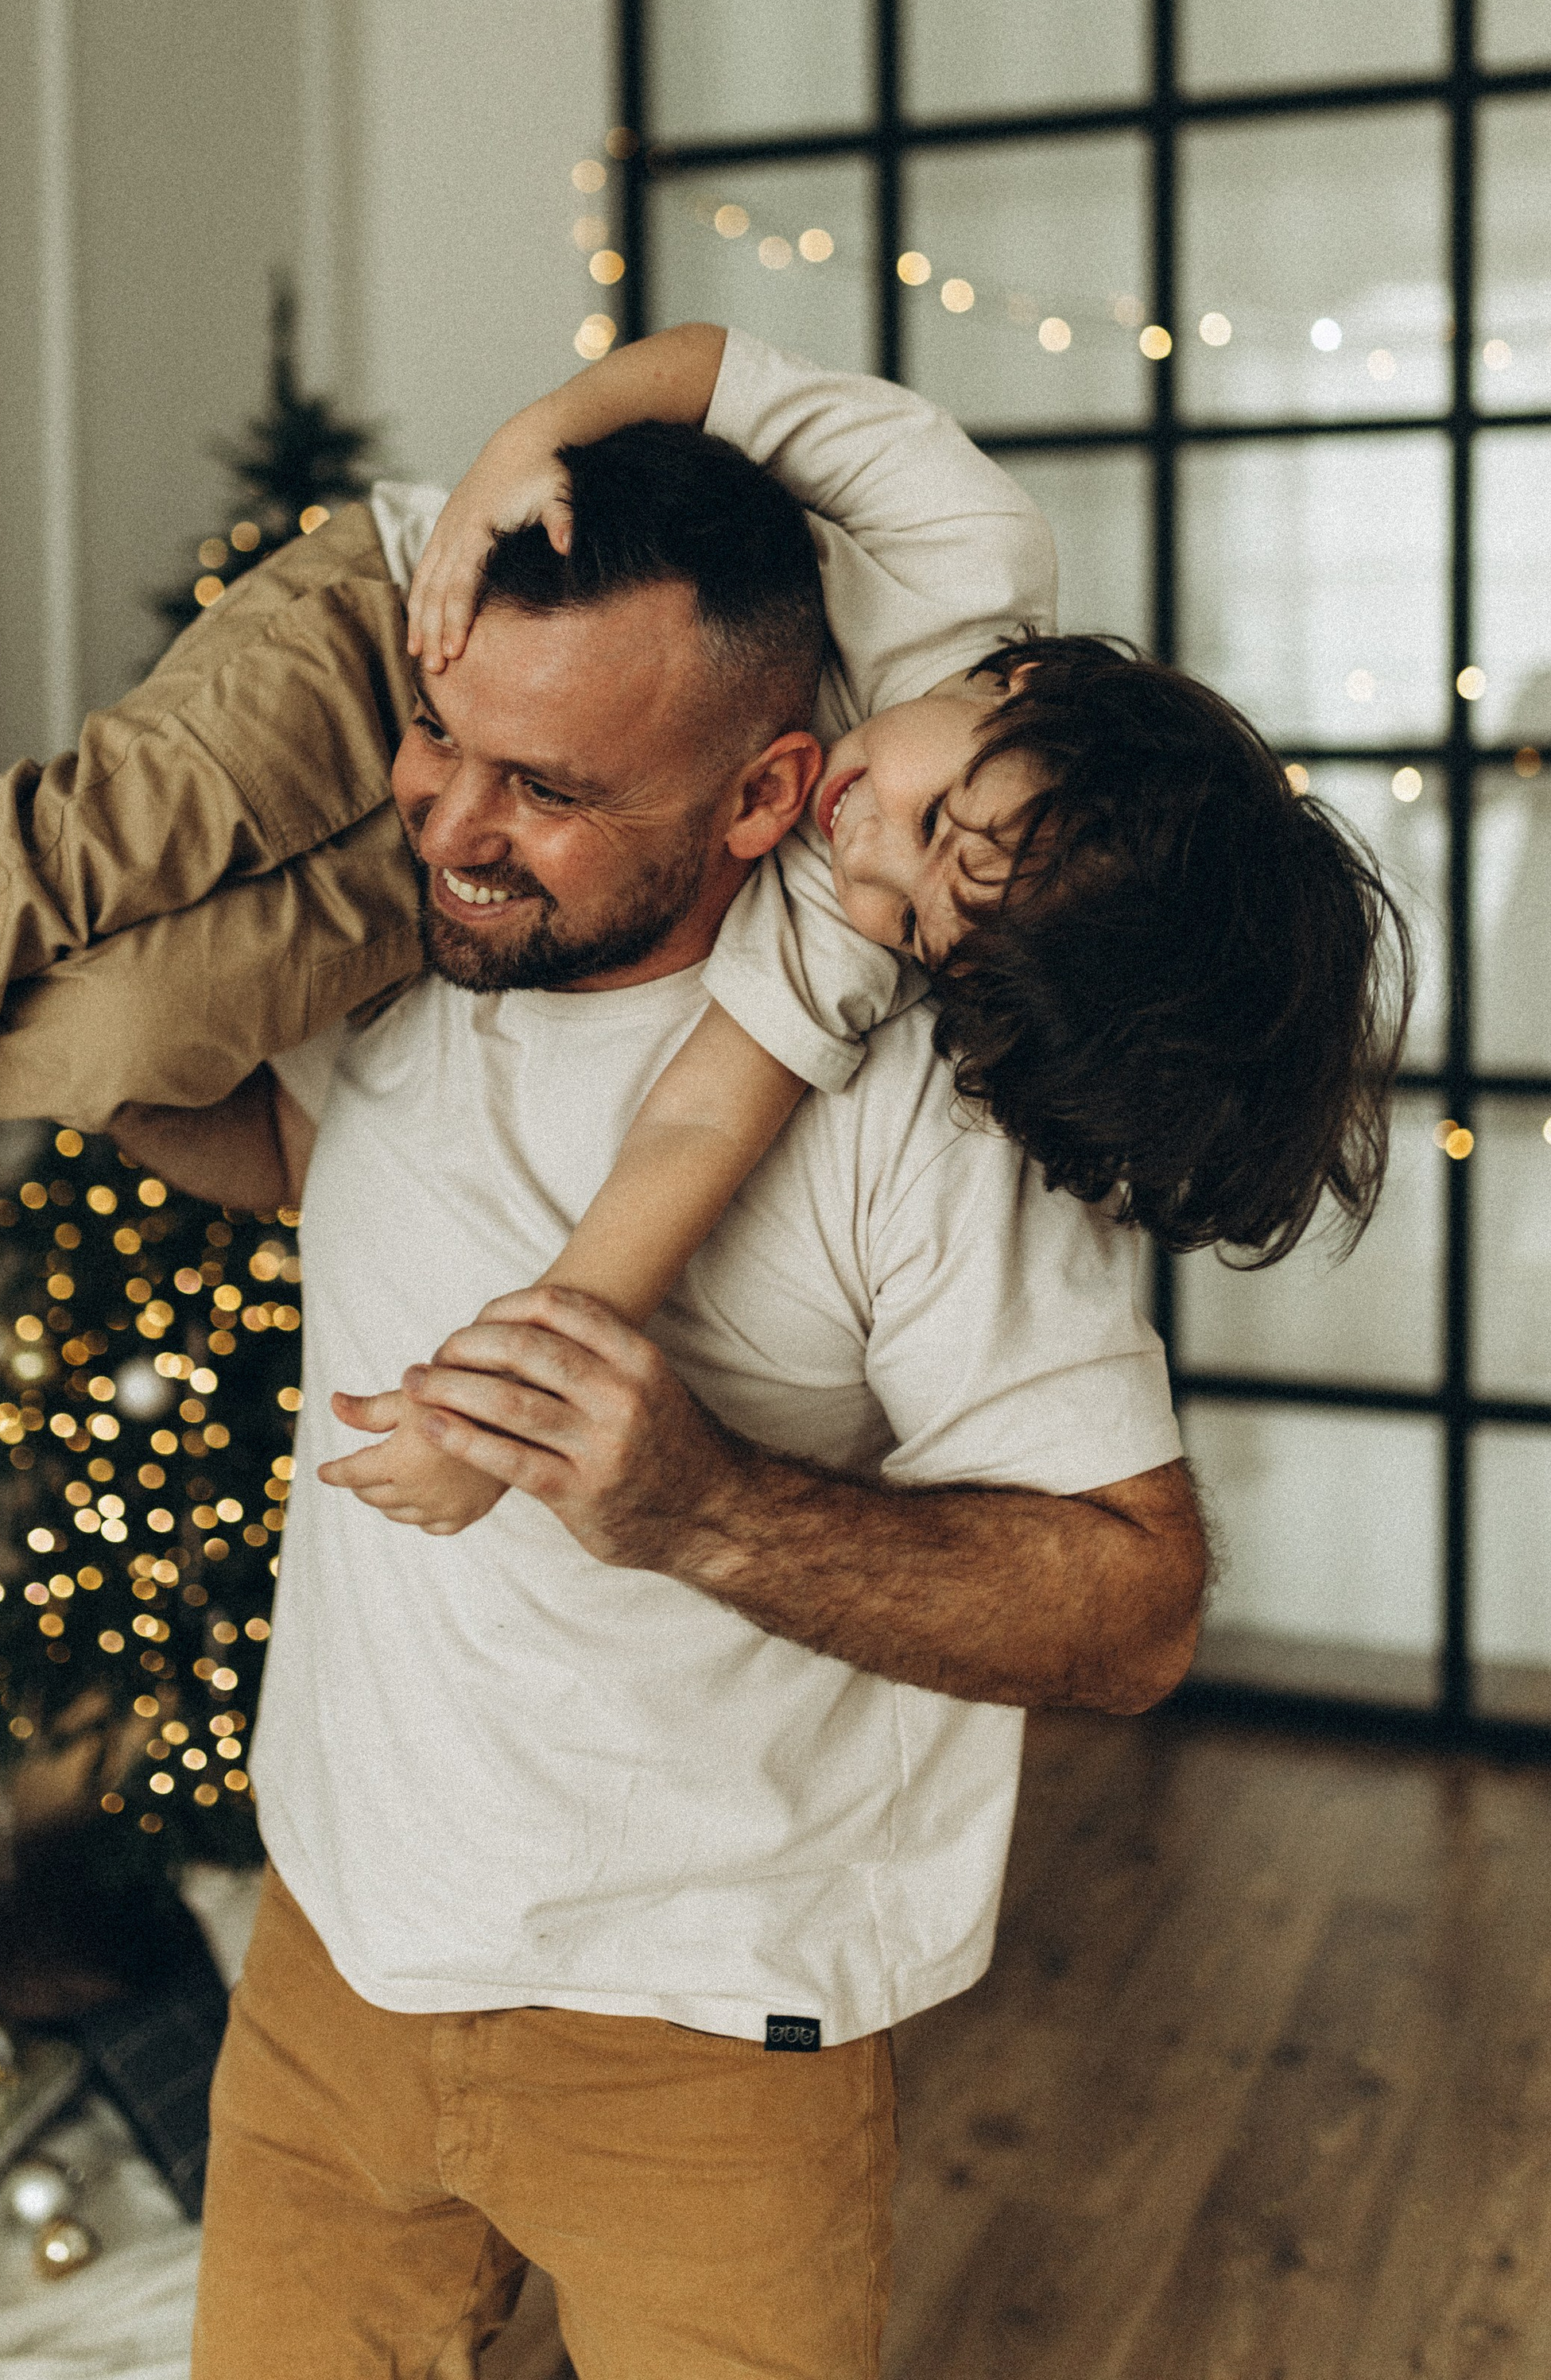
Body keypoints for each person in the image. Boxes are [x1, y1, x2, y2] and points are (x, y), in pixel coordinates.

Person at [0, 332, 1405, 1540]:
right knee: (108, 837)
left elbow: (692, 1133)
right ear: (1029, 690)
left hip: (553, 813)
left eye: (906, 912)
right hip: (404, 602)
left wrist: (504, 1393)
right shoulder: (959, 539)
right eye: (926, 817)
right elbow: (707, 371)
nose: (864, 859)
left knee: (144, 1034)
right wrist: (526, 445)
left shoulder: (839, 931)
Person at [176, 414, 1208, 2378]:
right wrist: (99, 1044)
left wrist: (700, 1501)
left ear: (766, 798)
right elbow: (312, 1163)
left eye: (547, 788)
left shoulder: (923, 1107)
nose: (453, 825)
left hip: (707, 2042)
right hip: (328, 1961)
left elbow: (1134, 1604)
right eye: (444, 742)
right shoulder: (433, 951)